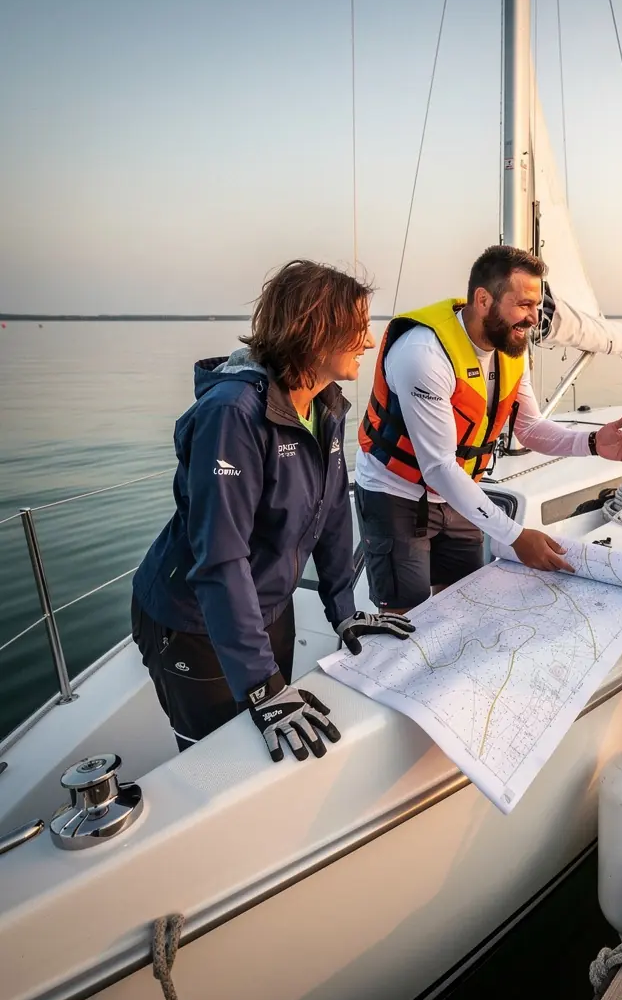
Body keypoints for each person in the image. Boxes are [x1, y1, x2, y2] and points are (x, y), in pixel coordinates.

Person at [131, 260, 413, 763]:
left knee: (269, 753)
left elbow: (330, 516)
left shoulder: (325, 404)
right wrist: (264, 687)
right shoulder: (232, 414)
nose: (369, 342)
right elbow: (220, 558)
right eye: (358, 327)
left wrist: (344, 613)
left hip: (268, 610)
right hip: (195, 624)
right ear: (315, 329)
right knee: (220, 761)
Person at [353, 244, 622, 612]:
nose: (533, 317)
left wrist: (592, 442)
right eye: (524, 304)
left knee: (463, 602)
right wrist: (515, 537)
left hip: (456, 493)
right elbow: (438, 466)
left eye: (537, 305)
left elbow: (530, 429)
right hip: (396, 494)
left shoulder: (510, 347)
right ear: (483, 300)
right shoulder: (423, 355)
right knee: (407, 613)